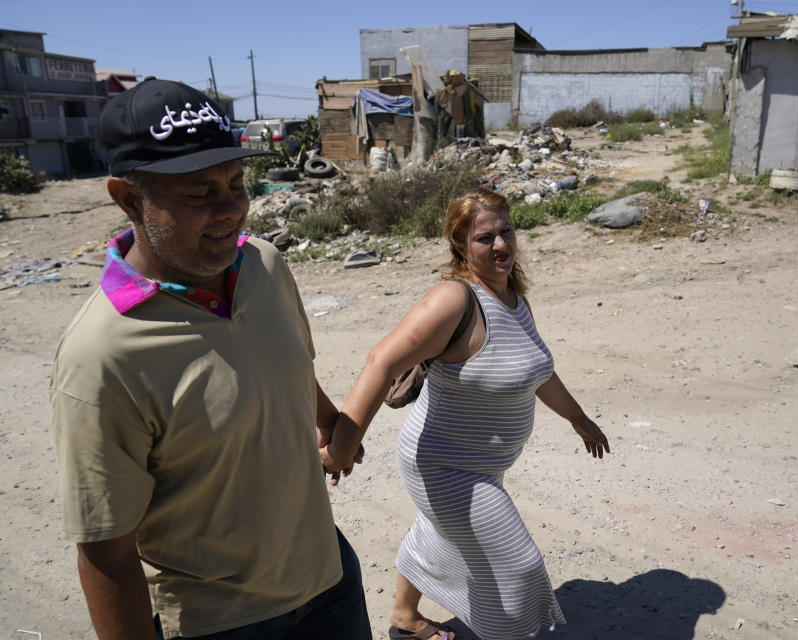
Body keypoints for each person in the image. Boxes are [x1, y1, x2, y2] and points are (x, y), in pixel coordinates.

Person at [50, 78, 371, 640]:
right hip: (220, 622)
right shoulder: (101, 356)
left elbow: (286, 367)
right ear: (128, 198)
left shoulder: (265, 265)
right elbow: (107, 555)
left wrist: (328, 419)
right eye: (199, 194)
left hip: (328, 578)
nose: (231, 210)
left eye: (237, 183)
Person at [321, 189, 610, 640]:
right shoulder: (455, 300)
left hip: (481, 465)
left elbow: (538, 373)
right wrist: (341, 447)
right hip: (443, 464)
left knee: (438, 534)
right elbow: (382, 361)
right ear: (460, 245)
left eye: (506, 232)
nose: (500, 245)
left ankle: (402, 616)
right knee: (520, 565)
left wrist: (578, 418)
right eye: (484, 238)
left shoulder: (513, 297)